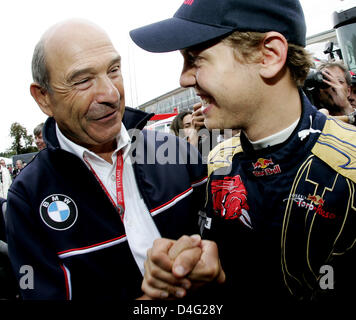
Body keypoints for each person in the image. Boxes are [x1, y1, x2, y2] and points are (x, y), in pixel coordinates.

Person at [130, 0, 356, 303]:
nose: (183, 78)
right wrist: (199, 274)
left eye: (195, 58)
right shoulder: (217, 163)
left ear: (269, 55)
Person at [5, 19, 207, 300]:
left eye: (113, 70)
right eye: (83, 80)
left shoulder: (179, 153)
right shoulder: (27, 198)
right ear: (44, 98)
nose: (111, 94)